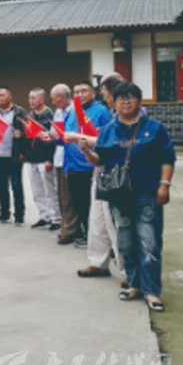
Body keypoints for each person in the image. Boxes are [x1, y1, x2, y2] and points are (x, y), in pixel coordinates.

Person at [80, 82, 175, 312]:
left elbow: (168, 158)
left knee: (149, 242)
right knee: (125, 243)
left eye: (131, 97)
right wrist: (87, 152)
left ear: (139, 101)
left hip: (148, 193)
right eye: (121, 98)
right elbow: (100, 161)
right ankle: (134, 285)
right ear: (114, 103)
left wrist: (164, 185)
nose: (126, 101)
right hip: (119, 196)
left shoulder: (154, 128)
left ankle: (152, 291)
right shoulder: (108, 130)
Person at [74, 73, 126, 279]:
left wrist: (80, 137)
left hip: (117, 178)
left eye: (103, 91)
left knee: (115, 225)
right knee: (97, 223)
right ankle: (98, 263)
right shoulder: (113, 114)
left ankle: (128, 270)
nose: (103, 95)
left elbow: (115, 143)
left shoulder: (127, 114)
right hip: (101, 173)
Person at [62, 81, 112, 249]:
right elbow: (66, 136)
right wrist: (54, 138)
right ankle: (87, 235)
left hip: (90, 166)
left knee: (94, 207)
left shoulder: (101, 111)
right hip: (72, 166)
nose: (80, 95)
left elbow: (105, 139)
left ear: (93, 93)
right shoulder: (73, 111)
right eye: (76, 92)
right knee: (80, 205)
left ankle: (101, 241)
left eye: (84, 91)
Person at [0, 87, 27, 225]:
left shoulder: (19, 112)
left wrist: (21, 135)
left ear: (10, 96)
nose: (0, 98)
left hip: (14, 155)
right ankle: (4, 213)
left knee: (16, 185)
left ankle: (19, 215)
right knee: (2, 186)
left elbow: (27, 130)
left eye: (3, 95)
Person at [23, 87, 60, 231]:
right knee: (37, 191)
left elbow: (54, 140)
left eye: (34, 98)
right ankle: (44, 216)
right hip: (32, 158)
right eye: (29, 98)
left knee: (50, 191)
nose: (30, 101)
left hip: (45, 159)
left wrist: (50, 159)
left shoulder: (51, 115)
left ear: (42, 99)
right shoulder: (30, 116)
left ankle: (56, 218)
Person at [41, 84, 75, 238]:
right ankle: (65, 226)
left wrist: (57, 137)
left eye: (55, 99)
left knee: (69, 197)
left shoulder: (75, 112)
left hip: (72, 159)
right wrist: (49, 137)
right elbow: (55, 133)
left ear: (64, 97)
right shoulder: (58, 112)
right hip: (59, 158)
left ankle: (70, 230)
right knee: (61, 196)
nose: (53, 102)